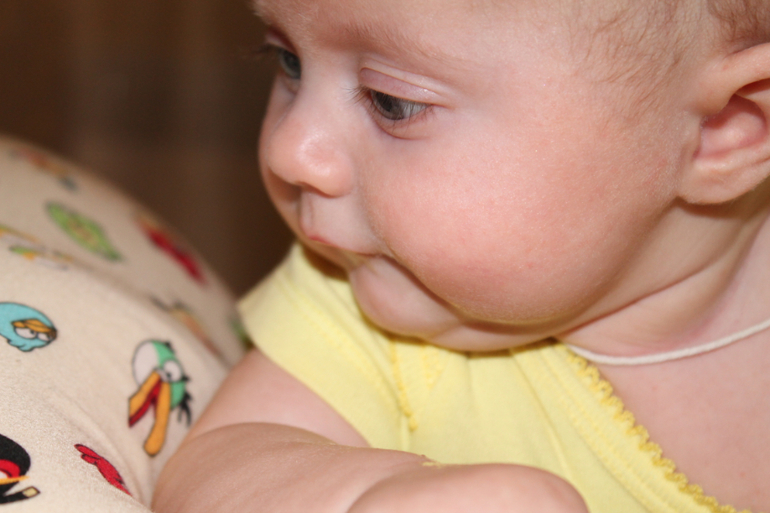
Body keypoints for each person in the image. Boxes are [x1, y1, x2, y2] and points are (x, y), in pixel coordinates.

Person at [152, 0, 770, 511]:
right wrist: (368, 496)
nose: (290, 151)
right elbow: (215, 467)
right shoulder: (353, 311)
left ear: (726, 130)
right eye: (289, 61)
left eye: (391, 102)